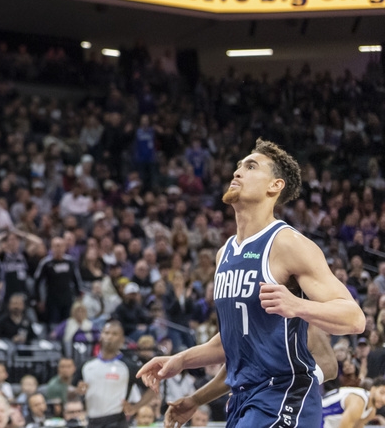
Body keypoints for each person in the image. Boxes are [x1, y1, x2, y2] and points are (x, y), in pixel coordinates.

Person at [139, 139, 365, 428]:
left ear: (275, 186)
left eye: (250, 166)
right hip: (243, 399)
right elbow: (232, 340)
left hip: (285, 394)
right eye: (238, 166)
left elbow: (355, 318)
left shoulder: (287, 243)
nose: (237, 172)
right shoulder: (225, 254)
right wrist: (181, 360)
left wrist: (298, 305)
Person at [161, 326, 337, 426]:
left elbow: (329, 365)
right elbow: (235, 368)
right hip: (243, 400)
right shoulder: (241, 313)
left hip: (282, 399)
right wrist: (196, 399)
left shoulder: (296, 316)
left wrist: (289, 383)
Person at [73, 321, 154, 428]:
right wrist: (77, 391)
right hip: (92, 422)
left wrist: (135, 407)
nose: (109, 337)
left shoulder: (129, 366)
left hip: (116, 421)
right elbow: (70, 389)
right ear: (101, 336)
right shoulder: (87, 365)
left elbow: (152, 388)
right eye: (106, 333)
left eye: (114, 334)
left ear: (122, 339)